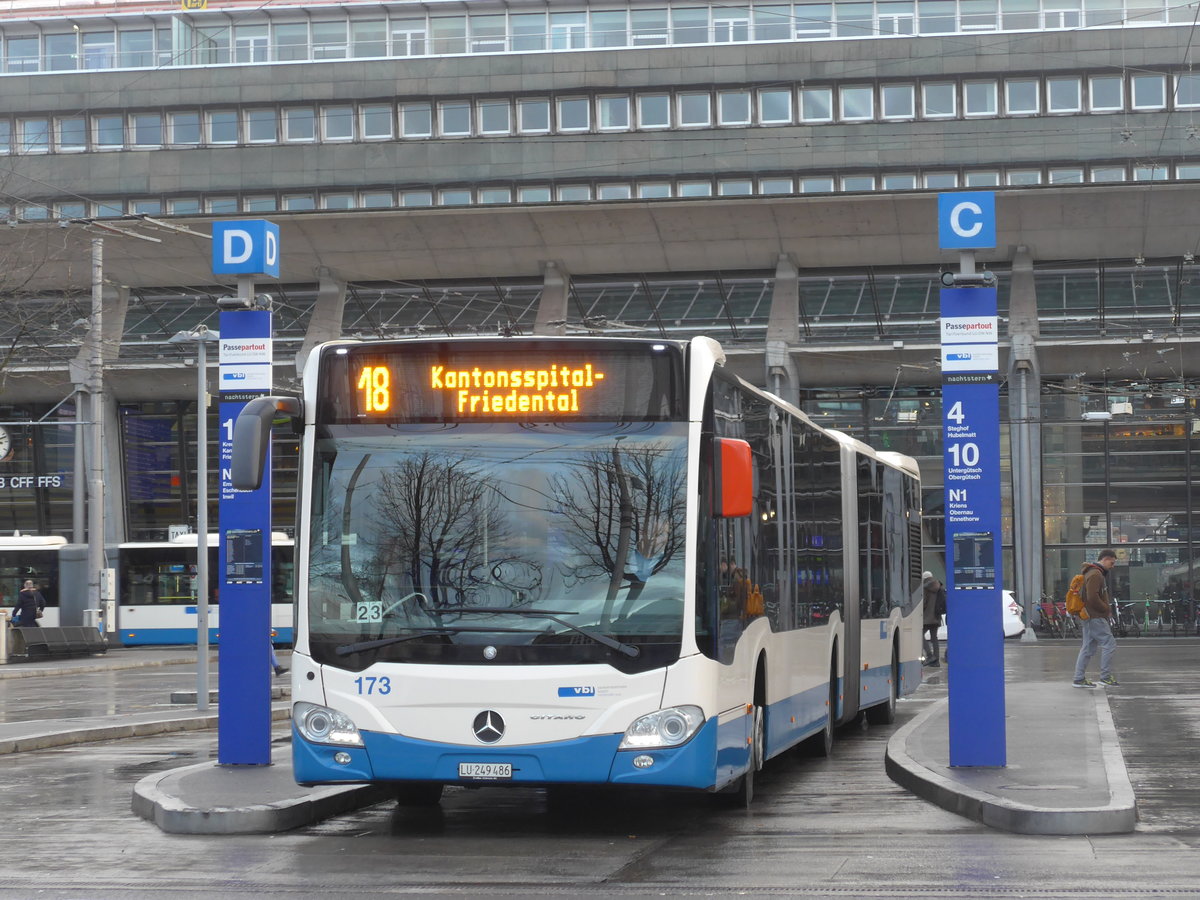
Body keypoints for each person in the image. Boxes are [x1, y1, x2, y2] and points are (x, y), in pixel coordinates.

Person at [1073, 548, 1119, 688]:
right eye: (1111, 563)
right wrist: (1105, 608)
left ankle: (1079, 678)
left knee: (1087, 647)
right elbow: (1092, 597)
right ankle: (1105, 677)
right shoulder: (1096, 574)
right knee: (1109, 643)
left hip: (1089, 615)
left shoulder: (1091, 572)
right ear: (1105, 559)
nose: (1112, 566)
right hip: (1095, 616)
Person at [921, 572, 945, 667]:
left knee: (919, 635)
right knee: (934, 638)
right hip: (936, 616)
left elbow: (924, 603)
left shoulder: (925, 588)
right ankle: (936, 661)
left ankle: (930, 655)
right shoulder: (939, 587)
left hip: (927, 617)